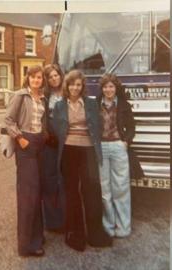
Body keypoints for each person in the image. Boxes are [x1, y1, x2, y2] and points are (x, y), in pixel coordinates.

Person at [52, 69, 112, 251]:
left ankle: (95, 234)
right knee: (72, 193)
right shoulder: (59, 106)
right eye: (72, 84)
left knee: (92, 190)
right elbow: (56, 128)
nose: (75, 88)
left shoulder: (91, 104)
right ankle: (75, 233)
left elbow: (99, 125)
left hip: (88, 150)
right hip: (69, 151)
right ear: (67, 85)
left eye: (78, 84)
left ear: (82, 86)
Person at [4, 65, 48, 257]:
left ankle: (37, 236)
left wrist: (44, 136)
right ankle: (26, 245)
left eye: (39, 78)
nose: (37, 80)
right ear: (28, 79)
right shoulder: (21, 96)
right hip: (25, 144)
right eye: (33, 77)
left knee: (37, 191)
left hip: (39, 144)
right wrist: (20, 139)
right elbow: (7, 120)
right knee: (28, 194)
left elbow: (42, 122)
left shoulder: (43, 98)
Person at [96, 73, 137, 237]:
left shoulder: (124, 105)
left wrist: (126, 141)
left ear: (116, 88)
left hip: (118, 146)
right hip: (101, 147)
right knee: (104, 188)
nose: (108, 90)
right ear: (102, 89)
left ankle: (123, 227)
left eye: (111, 86)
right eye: (105, 86)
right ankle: (108, 226)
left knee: (121, 187)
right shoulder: (96, 104)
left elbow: (132, 127)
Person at [41, 64, 65, 233]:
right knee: (50, 180)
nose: (54, 79)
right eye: (50, 77)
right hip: (50, 142)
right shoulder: (45, 96)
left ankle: (66, 218)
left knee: (64, 180)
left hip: (67, 141)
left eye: (56, 75)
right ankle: (52, 221)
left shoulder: (68, 92)